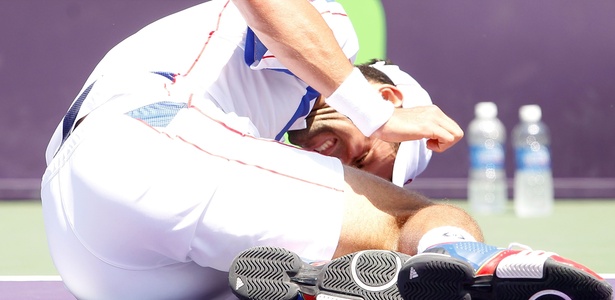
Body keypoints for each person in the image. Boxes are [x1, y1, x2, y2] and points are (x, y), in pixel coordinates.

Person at [40, 1, 611, 300]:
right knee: (409, 217)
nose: (339, 169)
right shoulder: (332, 33)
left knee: (254, 281)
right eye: (367, 161)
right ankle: (479, 270)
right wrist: (375, 114)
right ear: (387, 93)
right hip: (147, 141)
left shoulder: (247, 134)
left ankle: (323, 286)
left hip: (90, 261)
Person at [288, 59, 434, 187]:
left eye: (349, 176)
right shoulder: (338, 36)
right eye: (362, 158)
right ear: (385, 96)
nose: (340, 166)